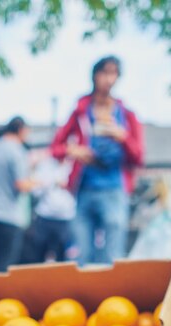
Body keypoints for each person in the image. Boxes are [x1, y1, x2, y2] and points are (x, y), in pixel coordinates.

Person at [51, 55, 145, 265]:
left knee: (112, 256)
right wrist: (74, 150)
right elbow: (55, 148)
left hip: (114, 190)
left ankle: (112, 297)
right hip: (84, 190)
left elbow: (139, 156)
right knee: (81, 255)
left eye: (114, 74)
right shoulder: (81, 111)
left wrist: (122, 136)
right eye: (105, 72)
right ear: (95, 75)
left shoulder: (126, 115)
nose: (109, 79)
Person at [0, 116, 34, 271]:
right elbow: (21, 184)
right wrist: (40, 182)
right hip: (9, 215)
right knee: (5, 265)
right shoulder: (17, 151)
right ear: (21, 130)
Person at [23, 156, 76, 263]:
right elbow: (34, 190)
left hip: (66, 218)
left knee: (63, 259)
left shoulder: (75, 165)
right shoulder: (45, 165)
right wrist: (51, 182)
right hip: (44, 217)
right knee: (37, 256)